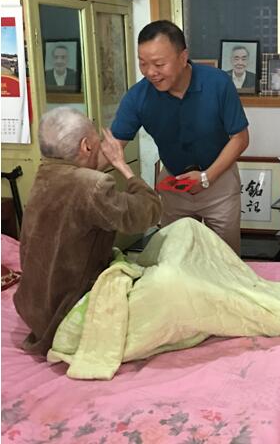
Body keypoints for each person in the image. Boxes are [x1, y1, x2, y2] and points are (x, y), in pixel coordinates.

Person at [13, 107, 162, 356]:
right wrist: (122, 165)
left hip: (34, 309)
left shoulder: (45, 173)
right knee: (175, 269)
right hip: (66, 312)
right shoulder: (92, 185)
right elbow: (149, 212)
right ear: (86, 146)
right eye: (97, 140)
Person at [111, 20, 249, 254]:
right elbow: (113, 147)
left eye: (159, 64)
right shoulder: (138, 96)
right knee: (176, 256)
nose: (150, 72)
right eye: (143, 63)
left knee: (225, 258)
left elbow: (240, 138)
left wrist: (206, 178)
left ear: (183, 57)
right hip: (174, 184)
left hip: (218, 179)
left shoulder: (217, 82)